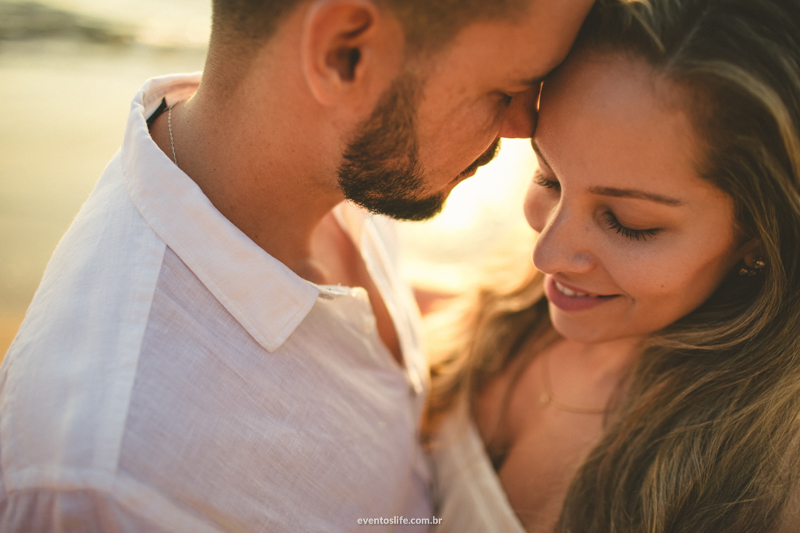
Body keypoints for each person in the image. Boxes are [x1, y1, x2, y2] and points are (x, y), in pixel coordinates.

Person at [0, 0, 603, 530]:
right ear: (345, 54)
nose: (526, 125)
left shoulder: (348, 160)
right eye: (505, 89)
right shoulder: (115, 482)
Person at [425, 0, 800, 532]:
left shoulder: (761, 492)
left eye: (628, 223)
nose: (546, 256)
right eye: (547, 178)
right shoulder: (516, 303)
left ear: (761, 237)